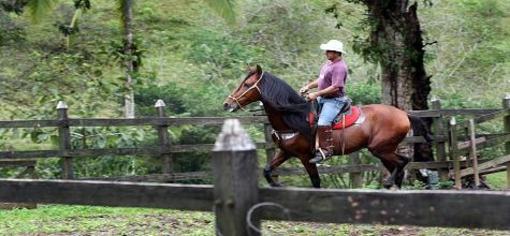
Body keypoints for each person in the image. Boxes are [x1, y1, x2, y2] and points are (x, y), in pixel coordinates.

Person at [300, 39, 349, 164]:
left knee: (323, 122)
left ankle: (326, 151)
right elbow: (321, 79)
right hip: (323, 98)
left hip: (334, 100)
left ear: (337, 53)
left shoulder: (340, 67)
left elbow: (336, 87)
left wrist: (315, 94)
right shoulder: (328, 64)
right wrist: (308, 86)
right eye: (326, 50)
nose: (326, 53)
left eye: (328, 51)